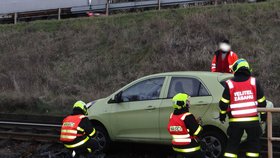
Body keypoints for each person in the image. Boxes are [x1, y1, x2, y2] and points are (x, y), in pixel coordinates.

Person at [219, 58, 267, 158]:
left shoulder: (230, 83)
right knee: (253, 145)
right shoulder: (254, 82)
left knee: (232, 145)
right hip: (252, 121)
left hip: (235, 122)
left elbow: (223, 104)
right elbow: (262, 101)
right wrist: (263, 116)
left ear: (236, 69)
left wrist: (222, 115)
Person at [167, 93, 204, 158]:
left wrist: (193, 123)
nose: (189, 103)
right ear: (182, 103)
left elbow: (181, 127)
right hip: (189, 148)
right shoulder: (188, 116)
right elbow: (197, 132)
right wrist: (199, 125)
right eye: (187, 101)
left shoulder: (172, 116)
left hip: (176, 148)